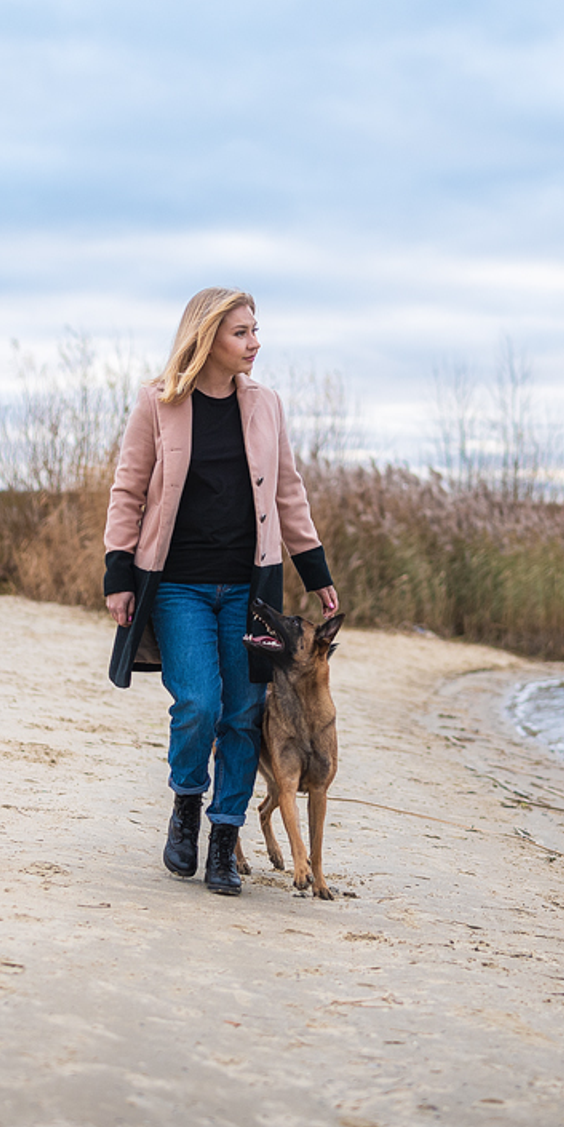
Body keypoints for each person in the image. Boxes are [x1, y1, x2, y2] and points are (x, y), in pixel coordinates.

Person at [102, 287, 338, 896]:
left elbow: (289, 491)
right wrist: (118, 574)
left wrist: (316, 572)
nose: (255, 343)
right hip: (177, 585)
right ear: (207, 336)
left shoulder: (266, 405)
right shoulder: (157, 403)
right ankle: (187, 804)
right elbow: (127, 491)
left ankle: (224, 839)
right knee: (201, 704)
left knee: (241, 713)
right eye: (242, 333)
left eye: (256, 331)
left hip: (248, 589)